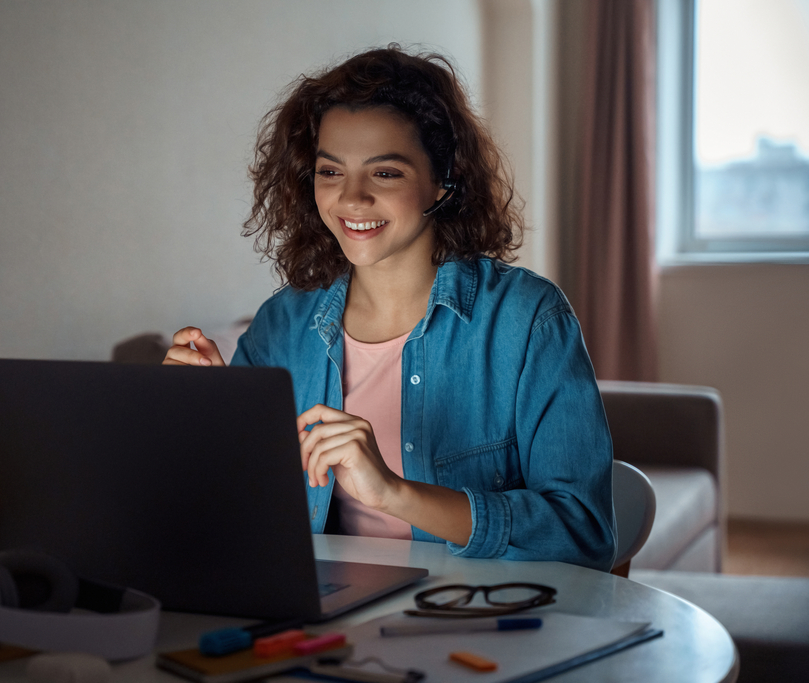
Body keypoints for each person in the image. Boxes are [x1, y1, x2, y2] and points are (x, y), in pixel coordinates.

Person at [163, 45, 616, 570]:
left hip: (476, 619)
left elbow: (582, 535)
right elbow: (231, 515)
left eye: (385, 174)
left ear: (443, 181)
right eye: (330, 172)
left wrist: (393, 493)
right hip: (326, 625)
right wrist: (200, 420)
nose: (351, 199)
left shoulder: (527, 319)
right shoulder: (281, 326)